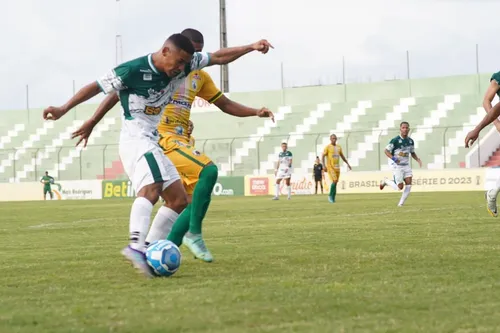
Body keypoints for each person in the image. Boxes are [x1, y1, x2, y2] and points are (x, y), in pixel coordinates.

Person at [43, 33, 273, 277]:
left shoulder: (187, 65)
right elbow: (97, 88)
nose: (182, 68)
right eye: (180, 61)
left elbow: (217, 57)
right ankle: (136, 245)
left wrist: (250, 47)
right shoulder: (133, 69)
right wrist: (64, 109)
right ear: (165, 51)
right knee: (152, 189)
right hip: (136, 139)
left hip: (152, 138)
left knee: (179, 199)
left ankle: (152, 249)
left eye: (186, 63)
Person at [465, 90, 500, 217]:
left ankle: (493, 191)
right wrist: (478, 129)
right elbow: (495, 106)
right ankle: (493, 192)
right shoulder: (497, 77)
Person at [379, 121, 422, 207]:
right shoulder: (395, 140)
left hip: (405, 165)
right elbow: (386, 151)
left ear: (409, 129)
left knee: (409, 185)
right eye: (403, 128)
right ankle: (386, 181)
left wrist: (417, 159)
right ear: (400, 129)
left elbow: (412, 152)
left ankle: (400, 204)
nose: (405, 129)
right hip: (396, 165)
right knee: (400, 187)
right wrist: (394, 158)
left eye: (407, 128)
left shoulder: (410, 141)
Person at [322, 134, 351, 203]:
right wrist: (324, 165)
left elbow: (342, 156)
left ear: (336, 139)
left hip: (337, 168)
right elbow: (323, 156)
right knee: (334, 180)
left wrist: (348, 164)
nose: (334, 140)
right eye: (332, 138)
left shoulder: (339, 147)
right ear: (330, 139)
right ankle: (330, 196)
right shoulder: (327, 147)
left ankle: (333, 197)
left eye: (335, 138)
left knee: (336, 182)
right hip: (330, 167)